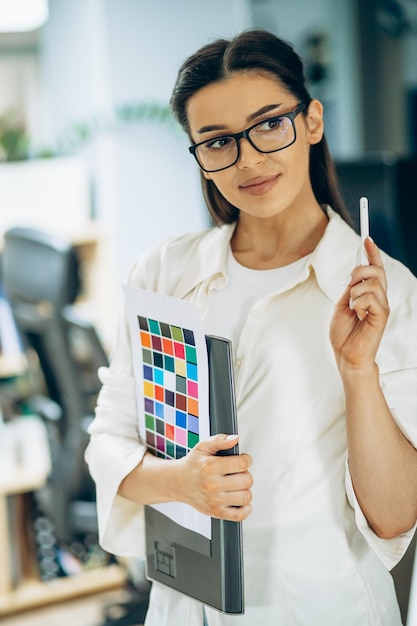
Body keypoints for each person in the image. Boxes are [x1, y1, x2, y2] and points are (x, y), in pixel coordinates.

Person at [85, 29, 417, 626]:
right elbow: (107, 442)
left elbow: (395, 517)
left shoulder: (384, 291)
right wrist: (181, 482)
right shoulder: (163, 272)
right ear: (198, 155)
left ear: (312, 121)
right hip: (185, 603)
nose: (249, 159)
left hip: (320, 607)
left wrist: (358, 372)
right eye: (217, 142)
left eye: (269, 124)